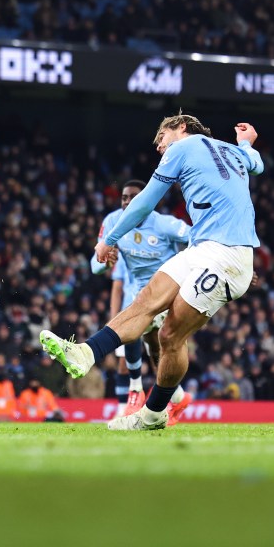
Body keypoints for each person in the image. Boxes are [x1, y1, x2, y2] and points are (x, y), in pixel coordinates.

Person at [42, 115, 263, 431]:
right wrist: (245, 143)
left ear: (181, 128)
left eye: (162, 136)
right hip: (201, 248)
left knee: (170, 334)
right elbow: (256, 165)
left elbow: (145, 202)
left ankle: (153, 414)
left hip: (227, 255)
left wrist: (109, 239)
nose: (159, 145)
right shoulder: (231, 151)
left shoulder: (183, 147)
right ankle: (84, 353)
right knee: (145, 300)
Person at [91, 179, 191, 421]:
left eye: (133, 197)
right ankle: (175, 397)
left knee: (137, 334)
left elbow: (196, 238)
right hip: (139, 295)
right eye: (124, 197)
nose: (127, 202)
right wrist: (106, 261)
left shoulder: (165, 224)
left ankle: (137, 390)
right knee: (155, 349)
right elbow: (95, 266)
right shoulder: (113, 222)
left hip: (167, 295)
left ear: (148, 199)